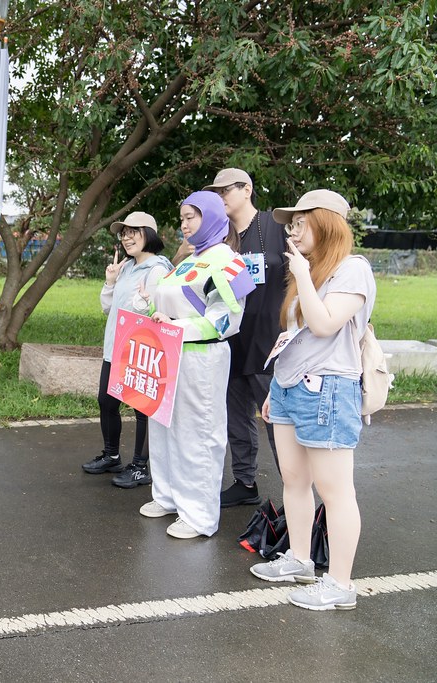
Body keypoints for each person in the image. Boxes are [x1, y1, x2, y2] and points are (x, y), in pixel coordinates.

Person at [250, 190, 374, 611]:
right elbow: (293, 337)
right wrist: (275, 388)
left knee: (335, 491)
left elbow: (323, 325)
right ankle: (300, 560)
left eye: (301, 223)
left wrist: (302, 275)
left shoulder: (352, 269)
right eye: (292, 224)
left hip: (328, 390)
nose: (294, 232)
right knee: (294, 480)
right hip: (289, 387)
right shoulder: (310, 271)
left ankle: (340, 584)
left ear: (327, 224)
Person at [139, 192, 255, 539]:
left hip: (201, 357)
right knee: (163, 427)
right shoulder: (189, 260)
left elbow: (227, 320)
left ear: (213, 217)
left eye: (191, 217)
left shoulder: (229, 262)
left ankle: (199, 515)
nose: (185, 224)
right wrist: (151, 311)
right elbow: (167, 304)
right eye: (182, 218)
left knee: (198, 433)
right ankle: (168, 496)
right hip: (167, 354)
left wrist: (177, 328)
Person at [202, 168, 289, 508]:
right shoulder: (218, 238)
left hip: (269, 340)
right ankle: (244, 482)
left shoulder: (275, 226)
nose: (220, 197)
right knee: (236, 419)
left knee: (278, 423)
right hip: (230, 341)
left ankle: (295, 495)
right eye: (216, 192)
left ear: (247, 189)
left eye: (226, 190)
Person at [82, 212, 173, 488]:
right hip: (116, 347)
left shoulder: (158, 269)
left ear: (149, 234)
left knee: (142, 409)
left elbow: (159, 313)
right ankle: (111, 455)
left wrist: (145, 303)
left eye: (134, 231)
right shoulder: (127, 267)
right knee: (106, 401)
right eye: (124, 233)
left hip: (140, 351)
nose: (126, 237)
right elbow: (108, 309)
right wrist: (110, 281)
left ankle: (140, 467)